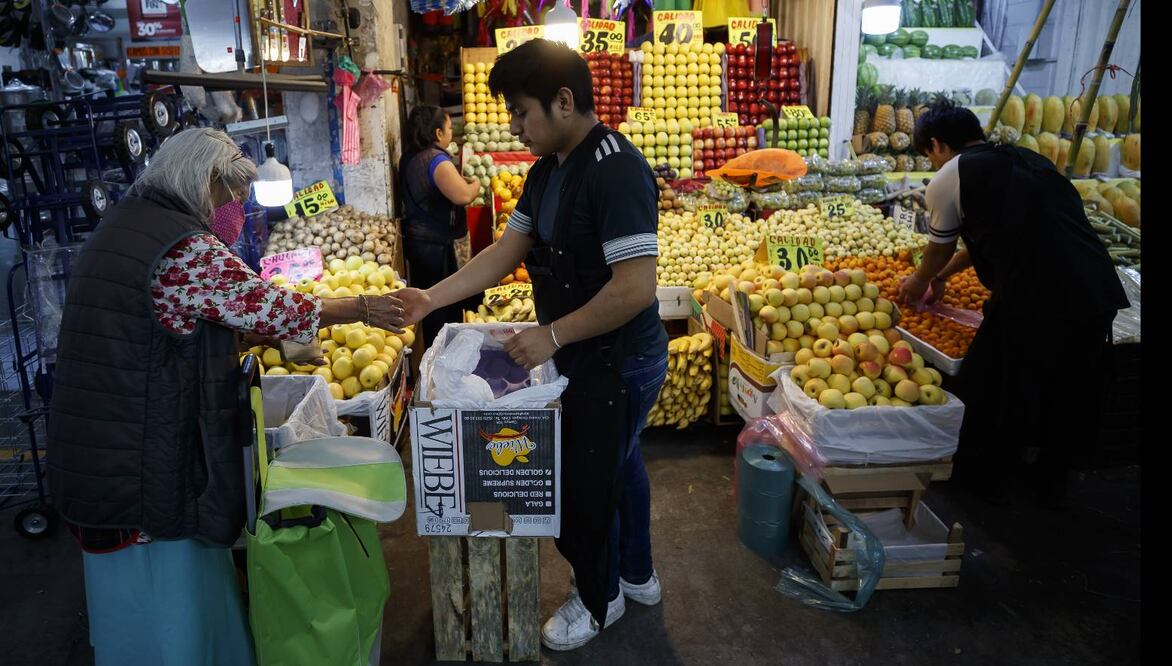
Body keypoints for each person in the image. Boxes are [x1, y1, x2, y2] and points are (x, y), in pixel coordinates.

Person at [46, 128, 408, 665]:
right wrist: (363, 308)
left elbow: (180, 319)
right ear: (204, 181)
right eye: (232, 196)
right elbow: (263, 303)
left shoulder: (128, 222)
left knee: (148, 604)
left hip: (103, 441)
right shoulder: (182, 247)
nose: (236, 210)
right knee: (168, 605)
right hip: (136, 455)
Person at [397, 39, 669, 651]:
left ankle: (601, 601)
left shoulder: (616, 169)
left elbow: (634, 288)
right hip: (584, 354)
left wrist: (550, 334)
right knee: (621, 465)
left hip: (620, 359)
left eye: (522, 112)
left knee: (587, 483)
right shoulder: (550, 171)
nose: (515, 126)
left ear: (564, 101)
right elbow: (503, 253)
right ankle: (638, 572)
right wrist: (429, 299)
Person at [896, 100, 1129, 507]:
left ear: (936, 145)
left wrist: (919, 281)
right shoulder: (1023, 158)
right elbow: (993, 234)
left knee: (996, 380)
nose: (930, 162)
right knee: (1070, 386)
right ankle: (1048, 479)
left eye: (927, 154)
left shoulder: (950, 176)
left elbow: (939, 246)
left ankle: (982, 479)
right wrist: (944, 276)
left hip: (1038, 294)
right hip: (1095, 287)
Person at [399, 105, 482, 348]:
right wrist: (475, 184)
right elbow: (463, 196)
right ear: (437, 133)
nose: (450, 134)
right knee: (443, 307)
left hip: (420, 243)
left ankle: (435, 354)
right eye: (448, 129)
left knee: (429, 305)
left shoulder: (409, 157)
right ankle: (446, 356)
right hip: (437, 248)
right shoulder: (436, 159)